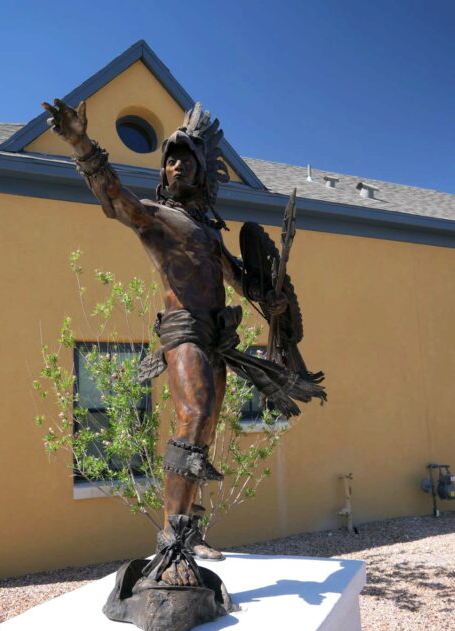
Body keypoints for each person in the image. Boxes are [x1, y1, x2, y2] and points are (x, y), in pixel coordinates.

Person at [42, 99, 324, 585]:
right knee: (193, 415)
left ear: (200, 173)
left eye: (186, 160)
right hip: (183, 328)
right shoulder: (154, 217)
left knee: (205, 429)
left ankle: (189, 530)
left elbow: (241, 281)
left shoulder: (211, 233)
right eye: (170, 160)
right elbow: (115, 198)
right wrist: (81, 143)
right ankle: (171, 541)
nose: (176, 165)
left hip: (217, 335)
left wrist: (271, 300)